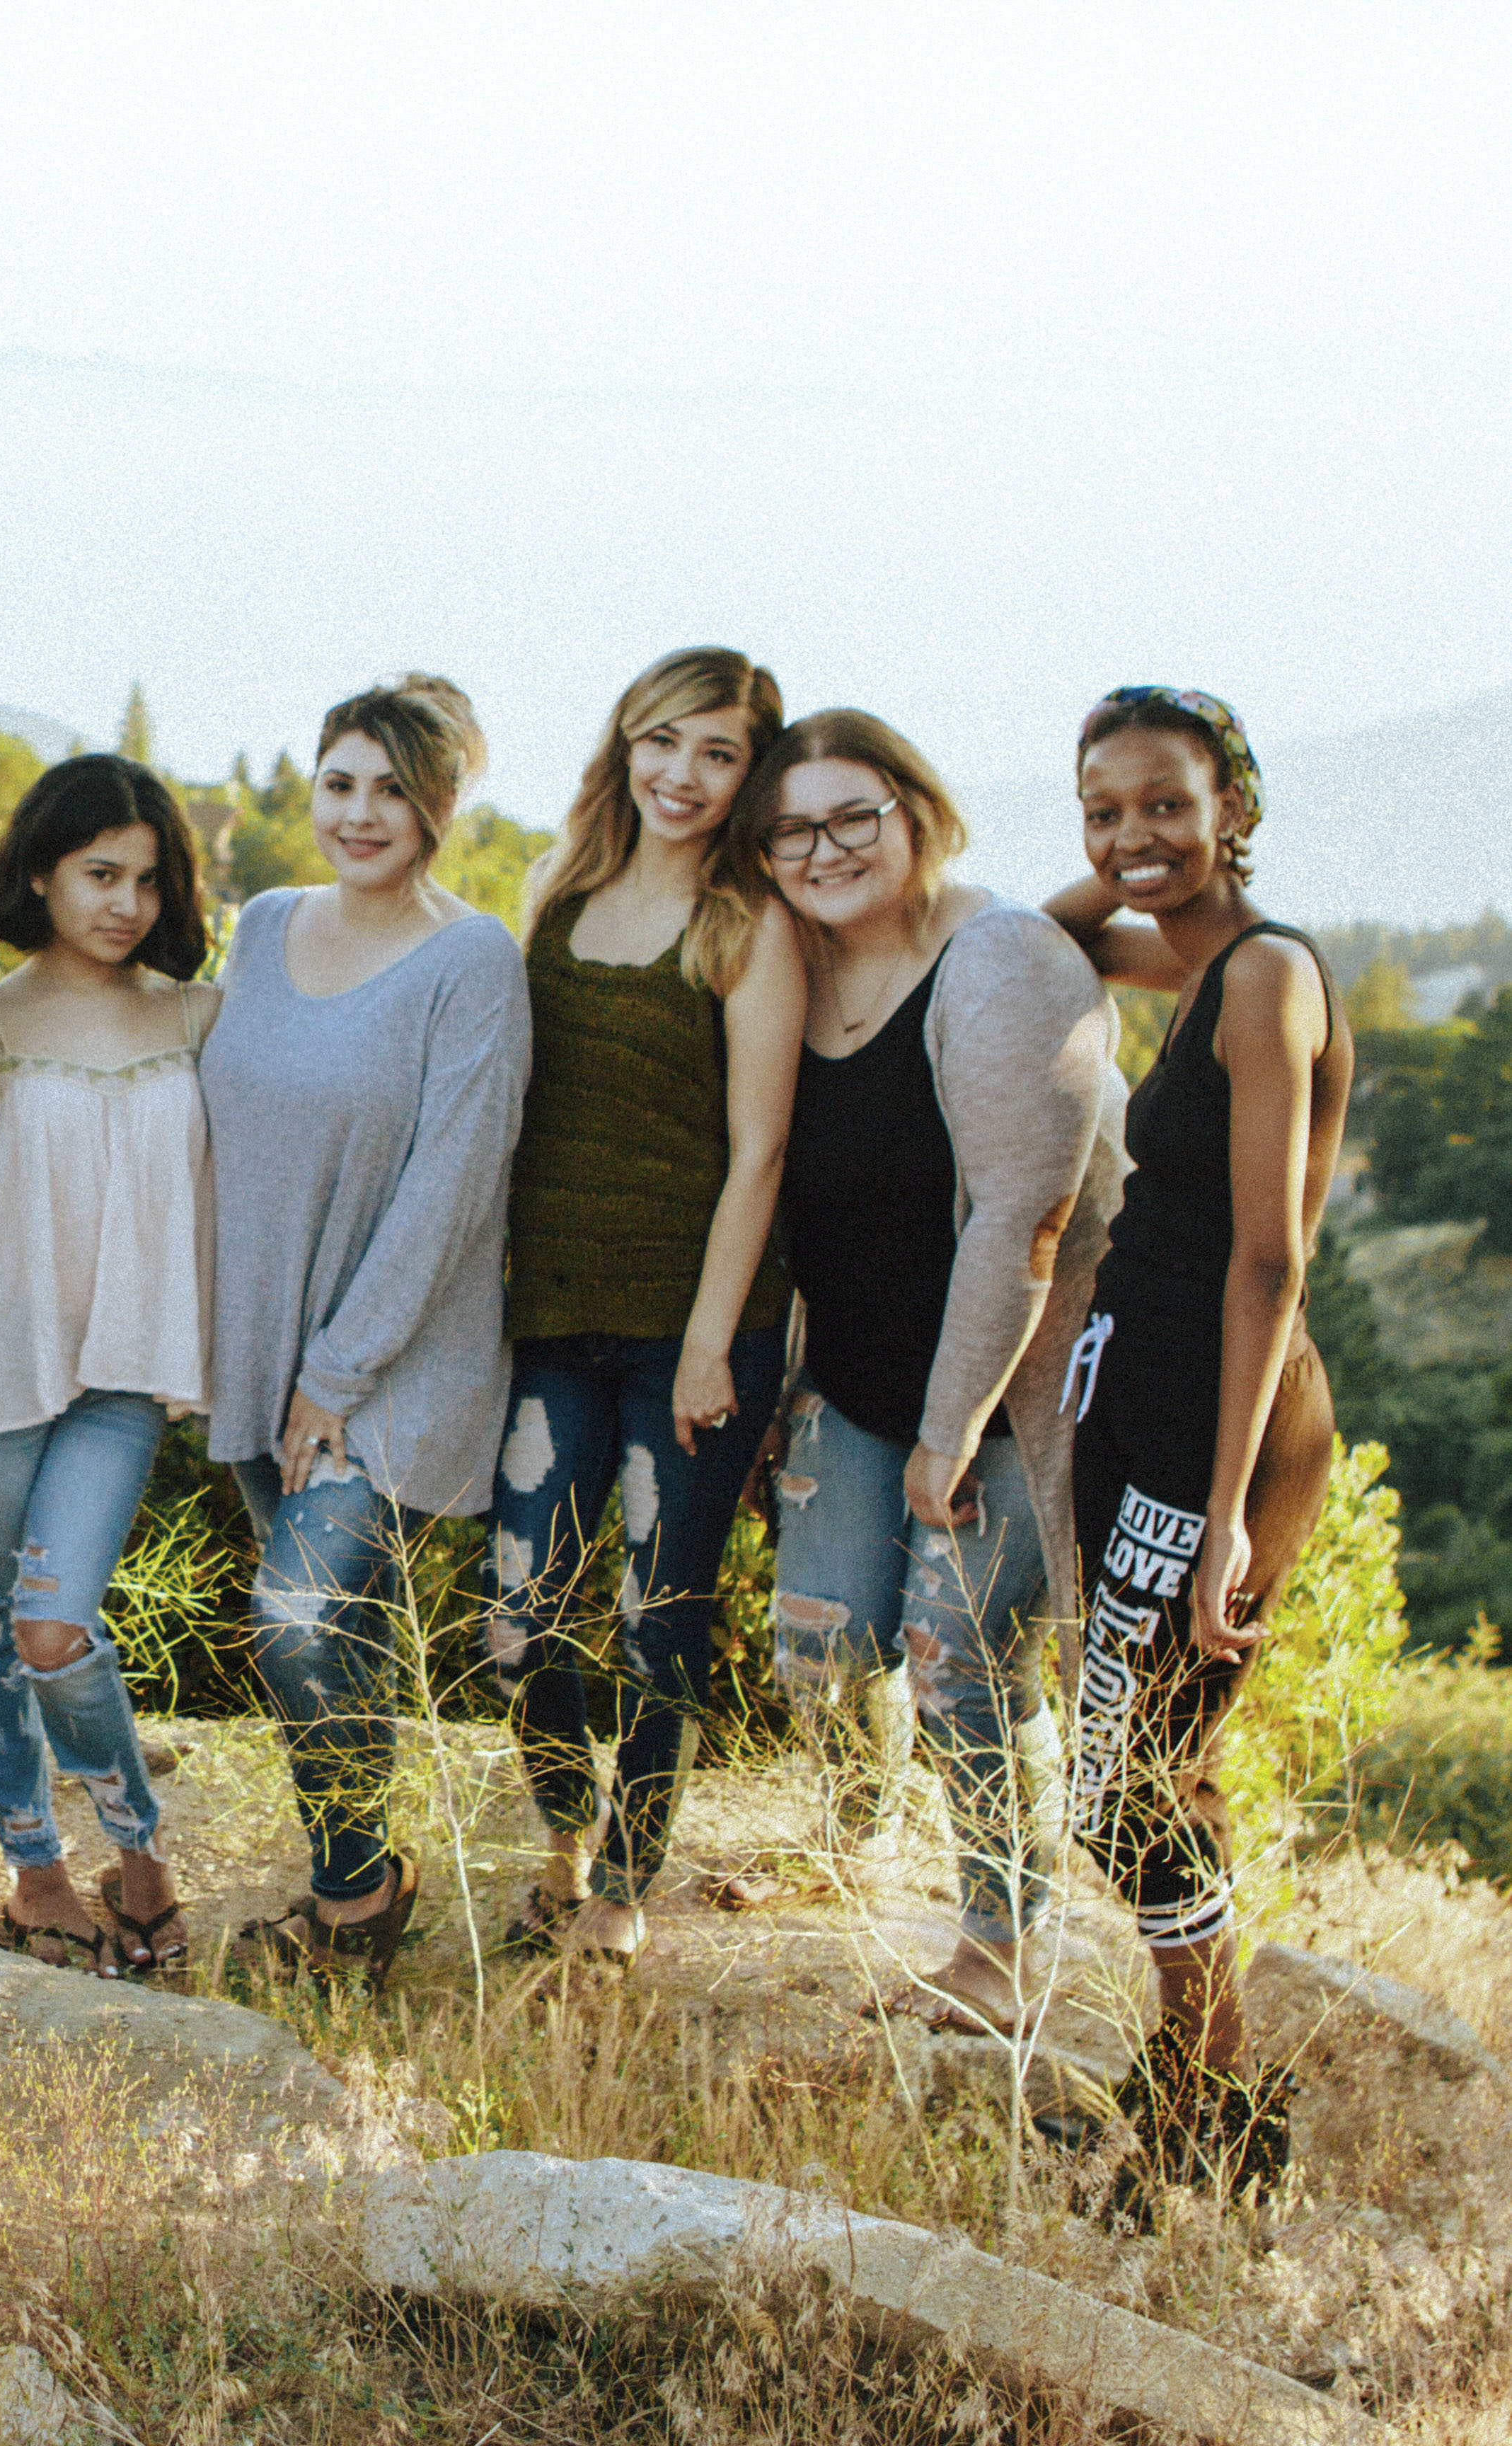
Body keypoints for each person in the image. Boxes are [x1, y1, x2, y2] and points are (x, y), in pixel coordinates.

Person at [737, 710, 1123, 2039]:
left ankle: (1005, 1945)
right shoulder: (794, 961)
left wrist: (949, 1430)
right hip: (849, 1380)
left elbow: (1025, 1215)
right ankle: (862, 1854)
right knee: (819, 1642)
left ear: (916, 808)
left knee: (960, 1658)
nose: (825, 849)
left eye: (856, 817)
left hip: (1005, 1396)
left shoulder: (999, 958)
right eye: (793, 829)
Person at [1044, 685, 1350, 2191]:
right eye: (1103, 810)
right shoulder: (1194, 954)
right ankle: (1197, 2076)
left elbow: (1270, 1261)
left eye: (1167, 802)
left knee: (1133, 1768)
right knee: (1133, 1757)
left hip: (1209, 1421)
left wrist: (1224, 1507)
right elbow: (1041, 942)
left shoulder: (1267, 977)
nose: (1131, 837)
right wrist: (1133, 869)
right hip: (1146, 1399)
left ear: (1236, 798)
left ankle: (1214, 2097)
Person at [202, 675, 530, 1987]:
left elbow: (452, 1189)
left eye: (396, 788)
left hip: (392, 1363)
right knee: (333, 1640)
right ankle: (359, 1895)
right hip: (261, 1354)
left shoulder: (473, 960)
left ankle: (358, 1890)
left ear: (442, 805)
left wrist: (335, 1374)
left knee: (293, 1617)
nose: (362, 812)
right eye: (342, 781)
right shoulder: (264, 922)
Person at [487, 649, 801, 1968]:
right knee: (519, 1609)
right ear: (624, 744)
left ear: (751, 773)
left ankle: (624, 1878)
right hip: (549, 1313)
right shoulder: (557, 895)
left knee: (656, 1610)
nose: (682, 774)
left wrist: (713, 1345)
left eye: (718, 753)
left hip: (692, 1325)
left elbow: (760, 1155)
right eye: (662, 742)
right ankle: (563, 1831)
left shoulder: (751, 927)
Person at [0, 754, 214, 1975]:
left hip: (123, 1372)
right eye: (99, 875)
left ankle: (138, 1851)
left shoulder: (202, 1017)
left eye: (147, 880)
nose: (125, 904)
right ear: (42, 872)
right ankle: (36, 1873)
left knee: (51, 1625)